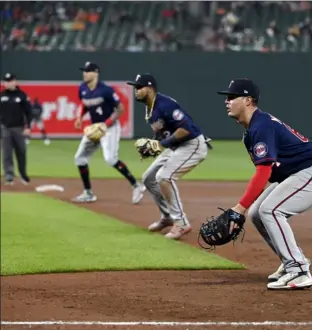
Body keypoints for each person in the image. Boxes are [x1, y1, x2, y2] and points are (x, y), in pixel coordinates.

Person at [215, 78, 312, 290]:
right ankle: (291, 260)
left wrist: (238, 208)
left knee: (270, 210)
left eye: (232, 97)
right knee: (257, 213)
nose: (227, 101)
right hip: (299, 173)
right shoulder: (251, 131)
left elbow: (264, 171)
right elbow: (269, 172)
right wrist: (245, 209)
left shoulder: (261, 126)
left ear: (248, 101)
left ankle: (298, 270)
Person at [127, 73, 210, 240]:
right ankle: (167, 217)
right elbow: (164, 133)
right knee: (149, 178)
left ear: (150, 89)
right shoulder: (149, 108)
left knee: (165, 177)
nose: (135, 91)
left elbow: (185, 129)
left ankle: (181, 223)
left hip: (192, 144)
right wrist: (154, 147)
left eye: (138, 87)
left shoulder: (165, 104)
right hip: (175, 147)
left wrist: (160, 145)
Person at [73, 61, 145, 203]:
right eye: (84, 71)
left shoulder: (106, 90)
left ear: (96, 73)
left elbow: (120, 109)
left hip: (110, 128)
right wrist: (79, 117)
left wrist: (105, 125)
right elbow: (84, 104)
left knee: (110, 159)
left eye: (88, 71)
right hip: (95, 129)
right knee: (80, 158)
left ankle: (136, 185)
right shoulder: (82, 88)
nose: (84, 73)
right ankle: (88, 193)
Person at [0, 73, 32, 185]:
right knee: (7, 153)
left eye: (10, 81)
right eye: (6, 81)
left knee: (21, 152)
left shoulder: (22, 95)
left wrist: (28, 126)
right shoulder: (2, 95)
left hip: (19, 128)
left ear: (15, 81)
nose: (8, 83)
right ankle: (9, 176)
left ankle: (23, 174)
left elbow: (28, 112)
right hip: (5, 128)